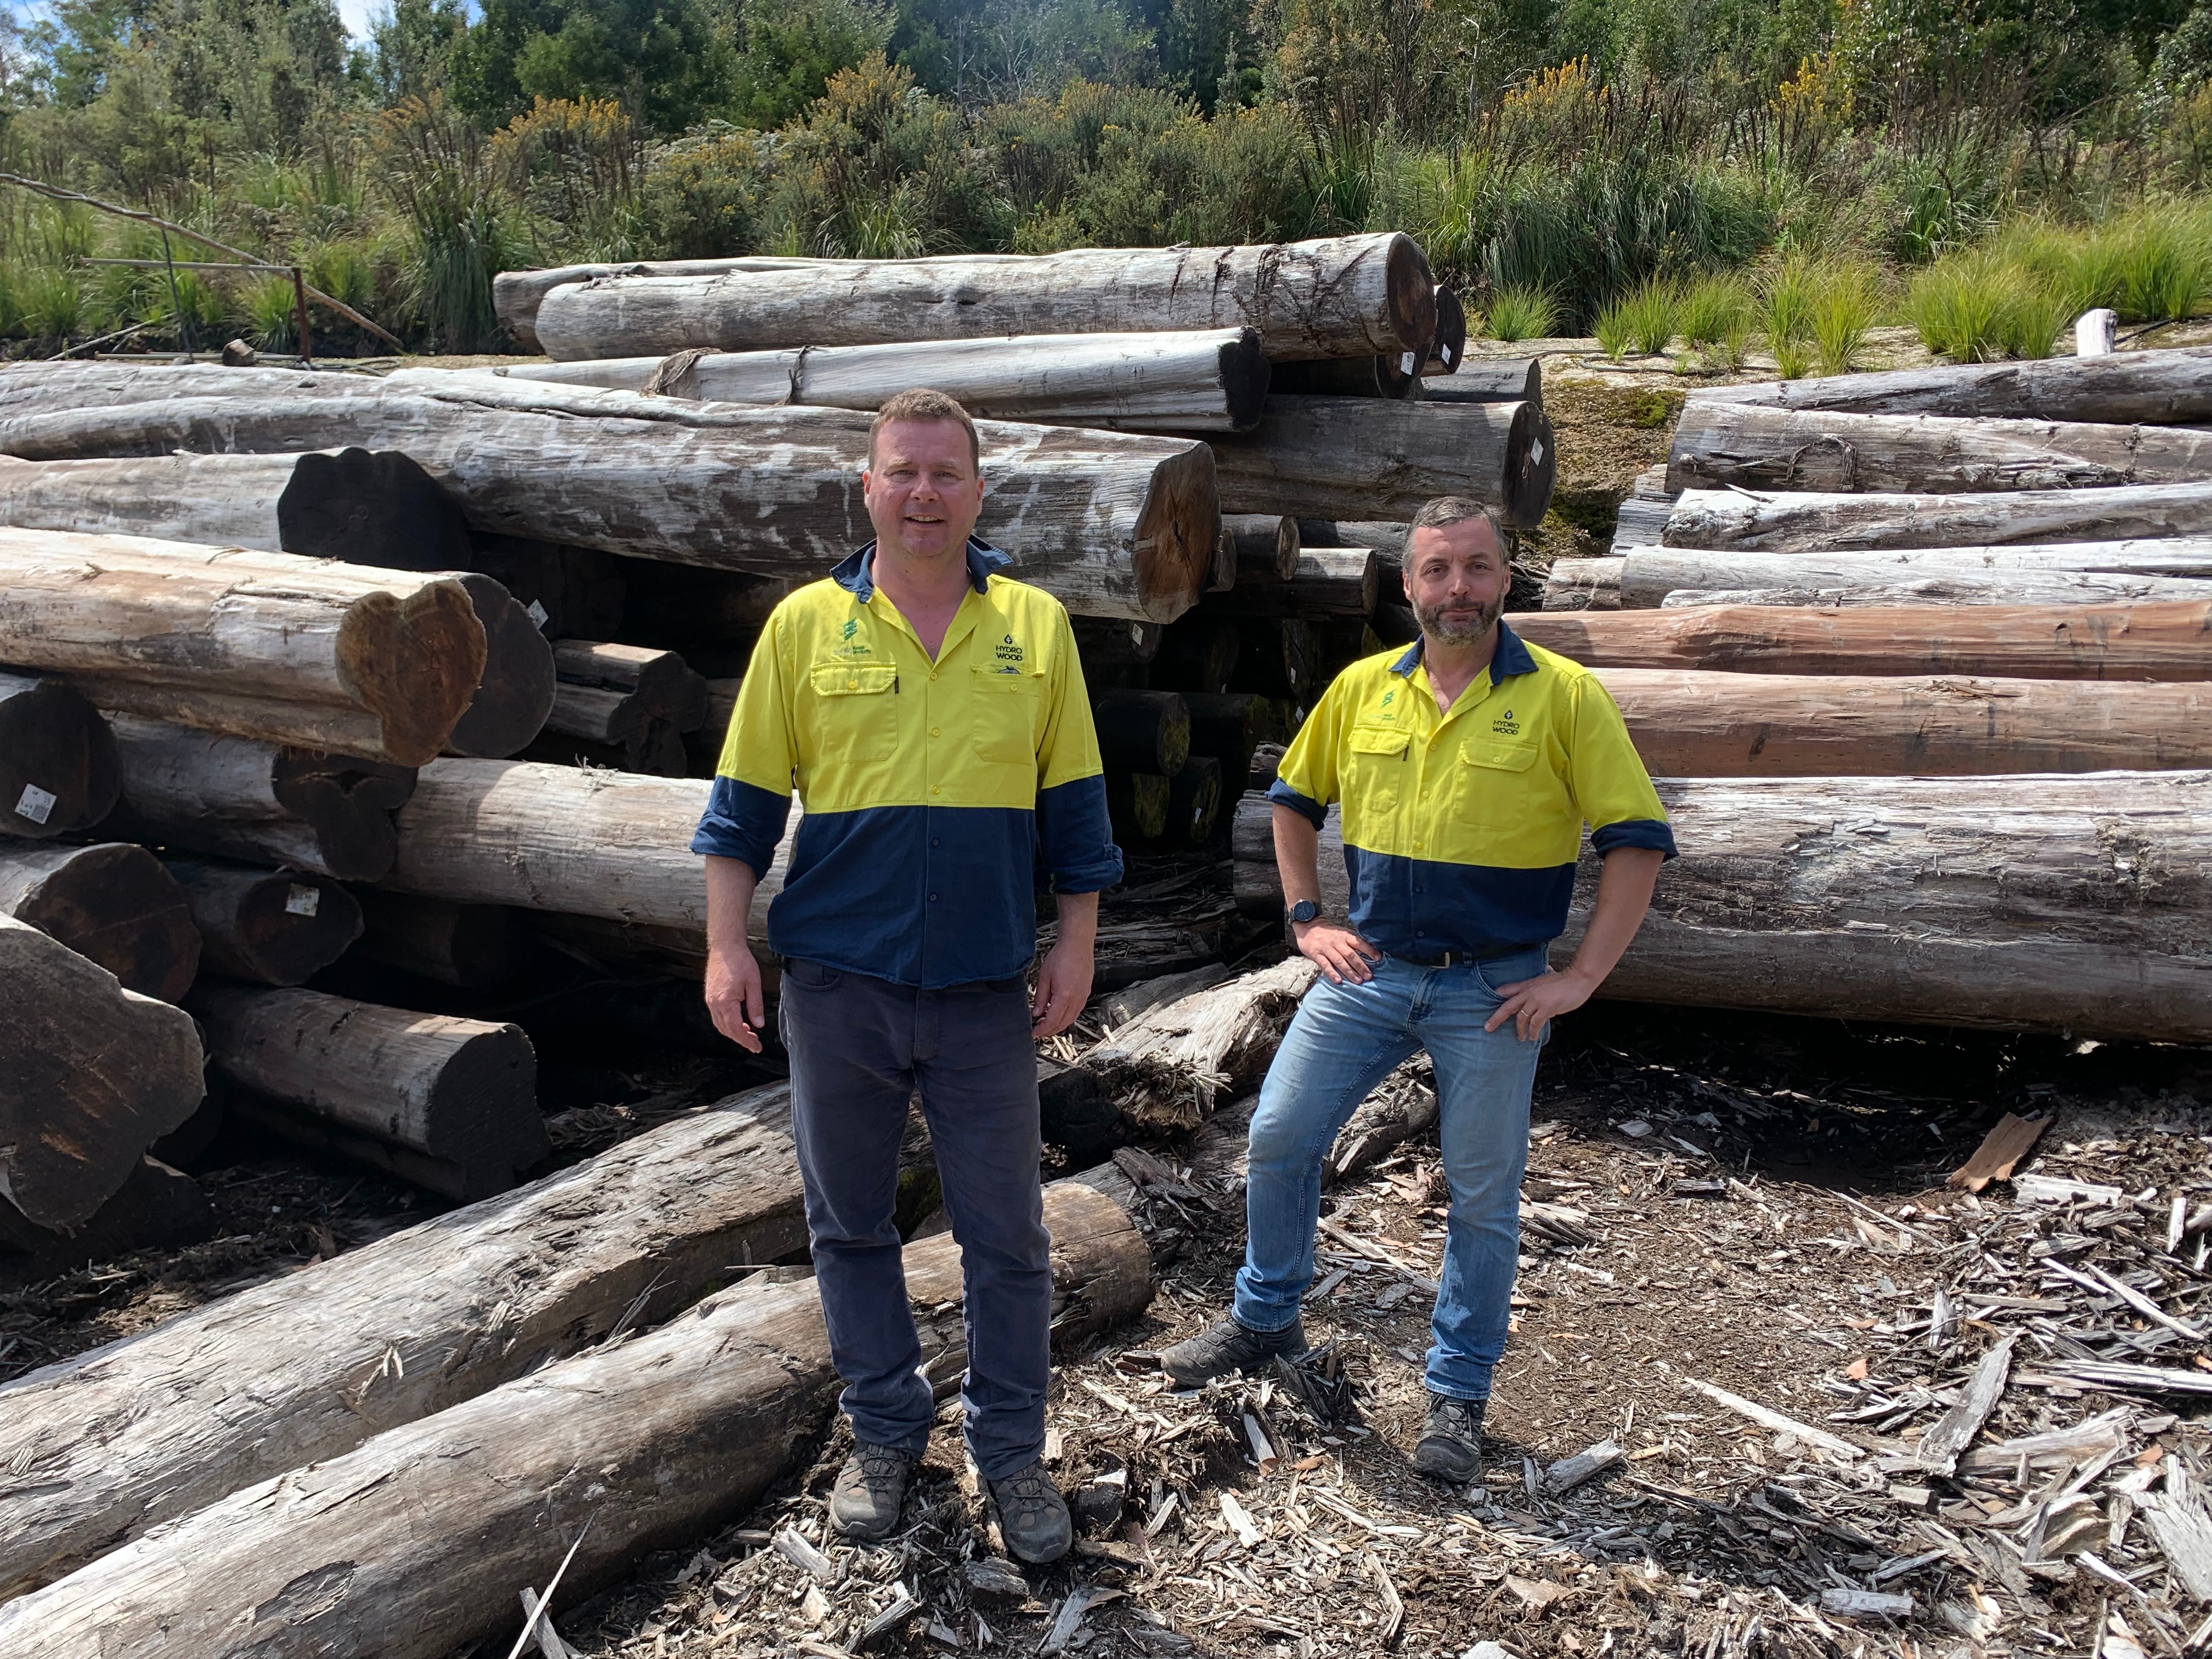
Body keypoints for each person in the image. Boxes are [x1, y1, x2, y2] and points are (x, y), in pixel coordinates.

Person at [1159, 495, 1673, 1482]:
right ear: (1407, 585)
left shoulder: (1565, 698)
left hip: (1497, 990)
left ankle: (1457, 1394)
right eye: (1437, 572)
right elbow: (1293, 801)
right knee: (1278, 1138)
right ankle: (1264, 1320)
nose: (1458, 591)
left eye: (1477, 569)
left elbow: (1636, 841)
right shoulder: (1361, 689)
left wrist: (1581, 978)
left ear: (1506, 580)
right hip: (1371, 971)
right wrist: (1308, 919)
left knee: (1482, 1198)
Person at [692, 387, 1121, 1562]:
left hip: (986, 989)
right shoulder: (802, 630)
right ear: (868, 490)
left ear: (979, 491)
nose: (923, 492)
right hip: (839, 985)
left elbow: (1077, 810)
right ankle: (885, 1431)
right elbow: (739, 814)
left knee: (1009, 1236)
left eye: (945, 472)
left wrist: (1076, 938)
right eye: (903, 472)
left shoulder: (1034, 627)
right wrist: (729, 946)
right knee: (850, 1226)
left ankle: (1013, 1457)